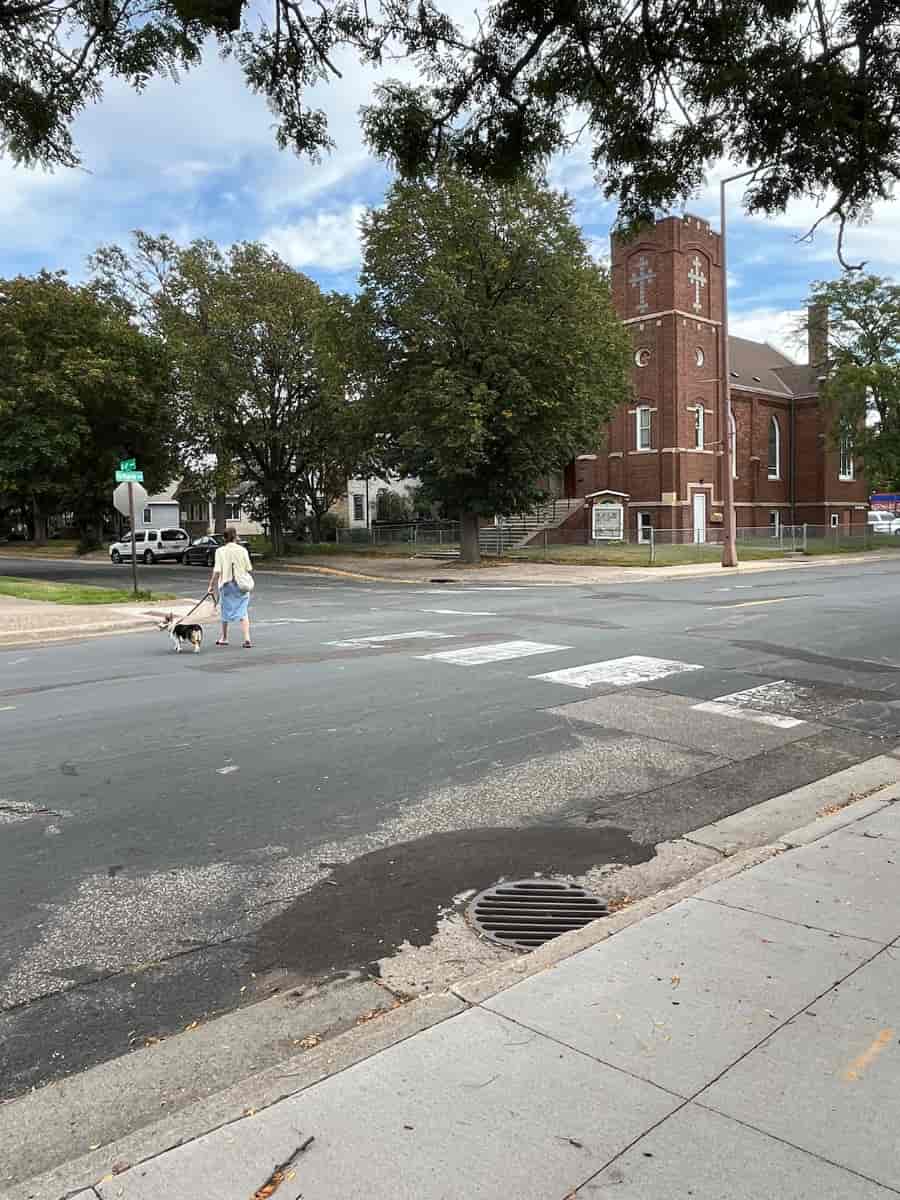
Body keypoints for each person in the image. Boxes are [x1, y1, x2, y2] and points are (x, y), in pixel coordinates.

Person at [209, 528, 254, 647]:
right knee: (243, 610)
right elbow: (248, 568)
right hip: (241, 584)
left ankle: (224, 637)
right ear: (235, 537)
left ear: (224, 538)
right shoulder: (242, 550)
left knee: (225, 610)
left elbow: (217, 570)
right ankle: (247, 638)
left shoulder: (220, 551)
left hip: (226, 584)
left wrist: (211, 585)